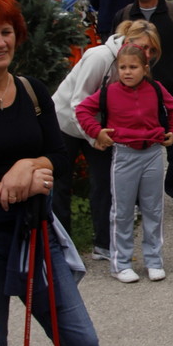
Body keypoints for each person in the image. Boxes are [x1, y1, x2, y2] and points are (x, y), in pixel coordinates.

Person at [0, 0, 165, 346]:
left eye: (5, 31)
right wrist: (10, 185)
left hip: (36, 235)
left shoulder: (30, 92)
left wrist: (30, 165)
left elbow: (59, 157)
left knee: (82, 343)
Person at [52, 20, 162, 261]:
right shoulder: (100, 57)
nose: (147, 53)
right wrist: (94, 137)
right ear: (128, 40)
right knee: (60, 184)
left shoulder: (137, 65)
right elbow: (78, 103)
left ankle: (103, 244)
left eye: (152, 49)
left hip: (97, 127)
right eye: (144, 46)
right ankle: (61, 248)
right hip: (64, 121)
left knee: (104, 182)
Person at [76, 43, 173, 283]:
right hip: (124, 156)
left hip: (152, 153)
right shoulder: (109, 92)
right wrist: (96, 132)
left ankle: (154, 260)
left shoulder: (155, 89)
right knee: (122, 212)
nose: (127, 72)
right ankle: (121, 263)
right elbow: (82, 110)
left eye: (133, 67)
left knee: (153, 209)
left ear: (145, 68)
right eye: (122, 67)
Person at [111, 0, 173, 222]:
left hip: (167, 93)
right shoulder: (124, 15)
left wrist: (172, 75)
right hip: (133, 98)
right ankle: (136, 201)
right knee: (135, 148)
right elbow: (113, 52)